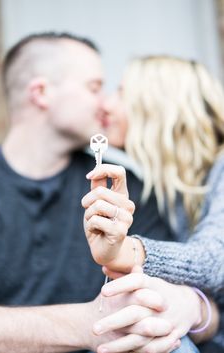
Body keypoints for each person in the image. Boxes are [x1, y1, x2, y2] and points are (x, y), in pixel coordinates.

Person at [0, 32, 214, 353]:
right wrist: (84, 324)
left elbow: (193, 310)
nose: (106, 103)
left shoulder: (121, 188)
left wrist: (190, 306)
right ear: (41, 93)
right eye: (94, 87)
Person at [82, 56, 224, 353]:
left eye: (121, 92)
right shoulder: (175, 188)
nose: (106, 104)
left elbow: (215, 260)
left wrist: (128, 251)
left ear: (160, 105)